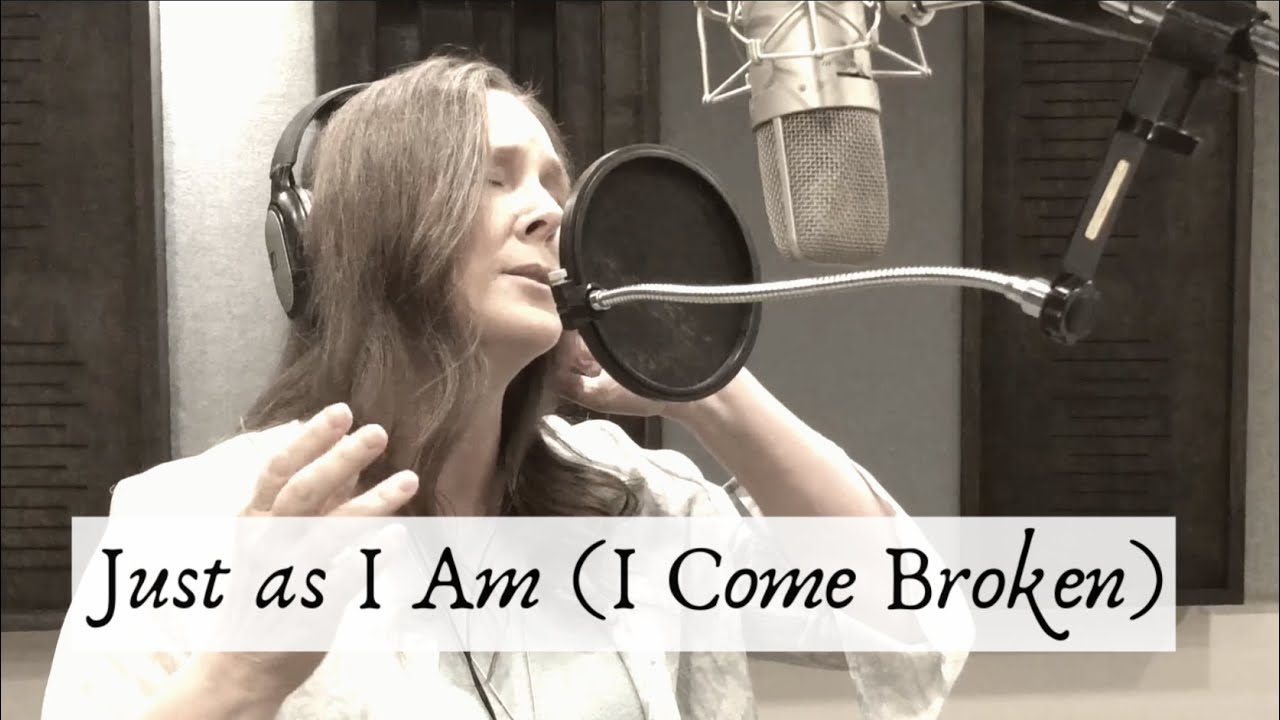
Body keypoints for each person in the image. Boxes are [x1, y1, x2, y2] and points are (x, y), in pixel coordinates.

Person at [41, 54, 969, 719]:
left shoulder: (631, 503)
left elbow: (911, 622)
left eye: (556, 188)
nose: (550, 215)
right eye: (492, 179)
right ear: (370, 235)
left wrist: (699, 381)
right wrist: (244, 672)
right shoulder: (186, 524)